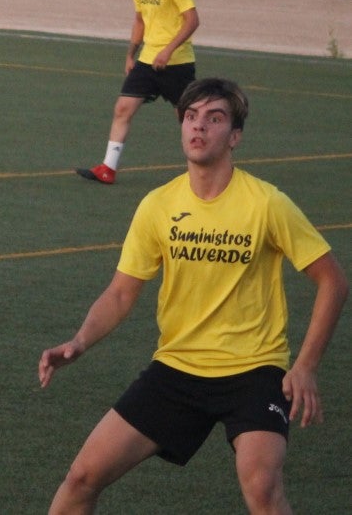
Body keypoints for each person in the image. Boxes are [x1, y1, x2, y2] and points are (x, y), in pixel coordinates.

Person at [40, 77, 347, 514]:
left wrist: (306, 366)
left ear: (235, 136)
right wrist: (79, 342)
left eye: (214, 118)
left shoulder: (267, 203)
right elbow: (121, 293)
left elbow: (333, 280)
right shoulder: (158, 205)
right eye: (191, 117)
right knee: (82, 479)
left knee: (262, 486)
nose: (198, 126)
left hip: (254, 370)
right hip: (178, 368)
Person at [77, 0, 199, 184]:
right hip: (147, 60)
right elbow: (140, 20)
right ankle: (108, 169)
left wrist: (168, 50)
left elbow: (192, 21)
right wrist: (131, 54)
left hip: (177, 63)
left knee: (188, 119)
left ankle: (201, 173)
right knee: (122, 108)